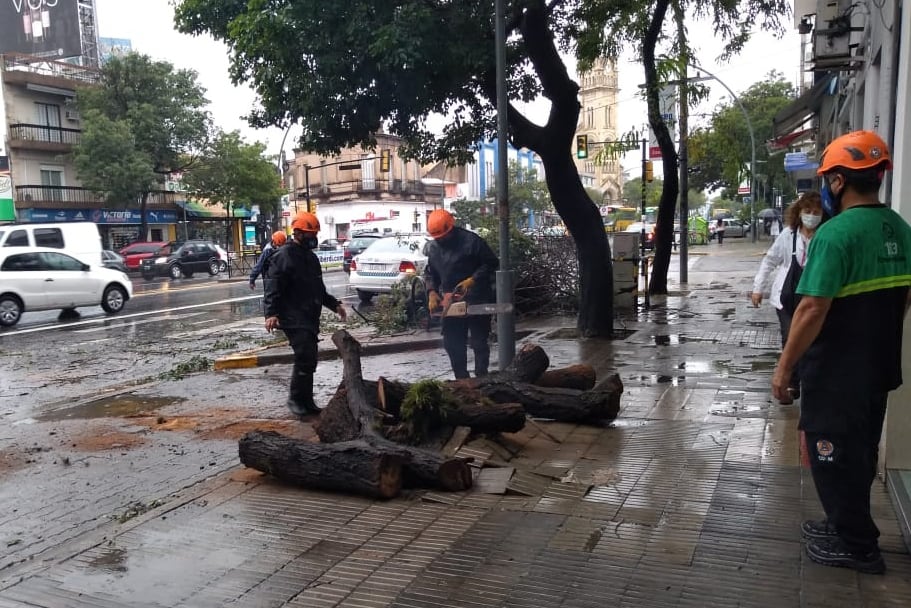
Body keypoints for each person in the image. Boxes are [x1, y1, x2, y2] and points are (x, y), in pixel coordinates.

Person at [771, 131, 911, 574]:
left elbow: (811, 308)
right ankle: (844, 523)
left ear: (837, 182)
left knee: (830, 454)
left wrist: (784, 368)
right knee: (861, 450)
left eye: (828, 177)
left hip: (836, 373)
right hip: (877, 367)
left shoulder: (836, 235)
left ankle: (858, 545)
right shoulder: (900, 229)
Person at [264, 212, 347, 417]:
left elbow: (317, 287)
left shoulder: (310, 258)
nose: (314, 238)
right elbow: (272, 285)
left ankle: (307, 400)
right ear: (298, 233)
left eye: (315, 234)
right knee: (304, 354)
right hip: (291, 315)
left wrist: (334, 305)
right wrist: (271, 313)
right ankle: (295, 399)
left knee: (309, 358)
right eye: (310, 234)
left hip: (309, 314)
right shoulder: (284, 256)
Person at [750, 192, 823, 404]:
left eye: (816, 212)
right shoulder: (788, 235)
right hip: (786, 298)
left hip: (812, 297)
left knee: (811, 341)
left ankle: (807, 380)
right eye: (807, 211)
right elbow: (770, 261)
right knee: (789, 337)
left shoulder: (825, 235)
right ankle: (792, 382)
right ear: (799, 213)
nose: (811, 216)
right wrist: (758, 289)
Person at [424, 209, 499, 379]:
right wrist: (432, 291)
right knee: (452, 342)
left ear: (451, 228)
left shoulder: (472, 242)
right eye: (438, 238)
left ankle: (481, 378)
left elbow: (492, 262)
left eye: (443, 236)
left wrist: (473, 279)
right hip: (451, 300)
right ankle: (461, 379)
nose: (441, 240)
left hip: (477, 295)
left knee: (479, 341)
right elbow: (430, 273)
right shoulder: (434, 249)